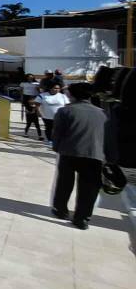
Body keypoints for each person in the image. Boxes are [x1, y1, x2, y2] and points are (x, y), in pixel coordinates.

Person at [51, 83, 107, 230]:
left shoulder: (65, 111)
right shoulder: (103, 113)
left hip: (69, 153)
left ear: (72, 95)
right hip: (95, 155)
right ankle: (82, 218)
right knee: (89, 188)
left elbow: (57, 134)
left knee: (64, 183)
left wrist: (56, 148)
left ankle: (61, 210)